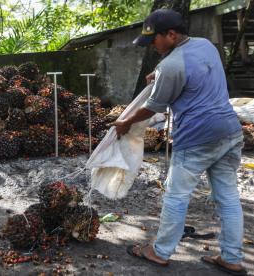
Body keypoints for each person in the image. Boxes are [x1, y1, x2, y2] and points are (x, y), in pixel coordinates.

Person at [114, 9, 247, 275]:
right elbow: (192, 72)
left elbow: (153, 107)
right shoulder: (206, 46)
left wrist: (125, 122)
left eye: (154, 40)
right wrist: (158, 74)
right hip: (230, 132)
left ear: (171, 35)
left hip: (198, 138)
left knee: (176, 196)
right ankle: (232, 258)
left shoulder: (170, 66)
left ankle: (159, 252)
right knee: (229, 198)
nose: (152, 46)